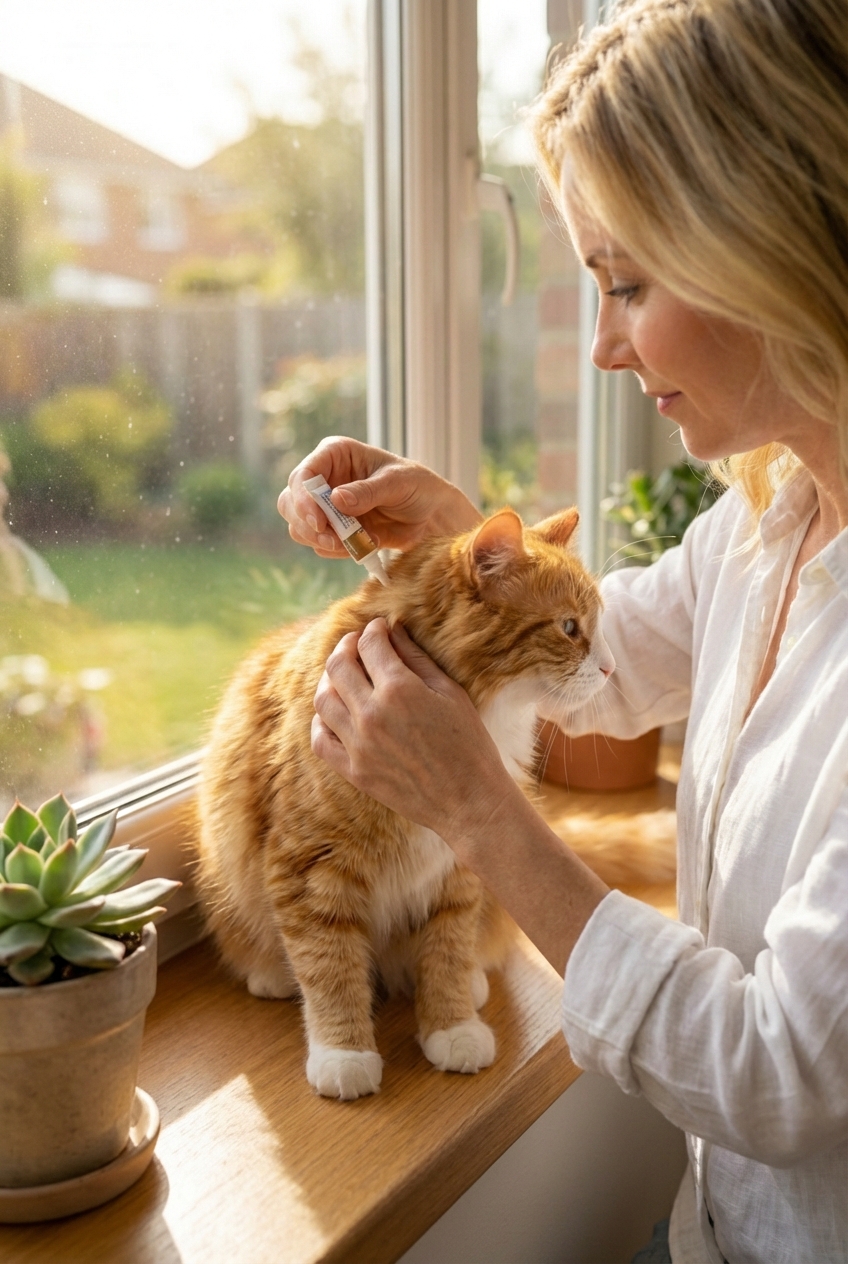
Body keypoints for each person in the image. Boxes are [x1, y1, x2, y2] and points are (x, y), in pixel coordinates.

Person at [278, 0, 848, 1259]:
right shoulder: (770, 521)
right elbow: (602, 663)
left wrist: (477, 811)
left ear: (770, 242)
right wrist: (456, 549)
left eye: (625, 283)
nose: (598, 346)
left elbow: (777, 1077)